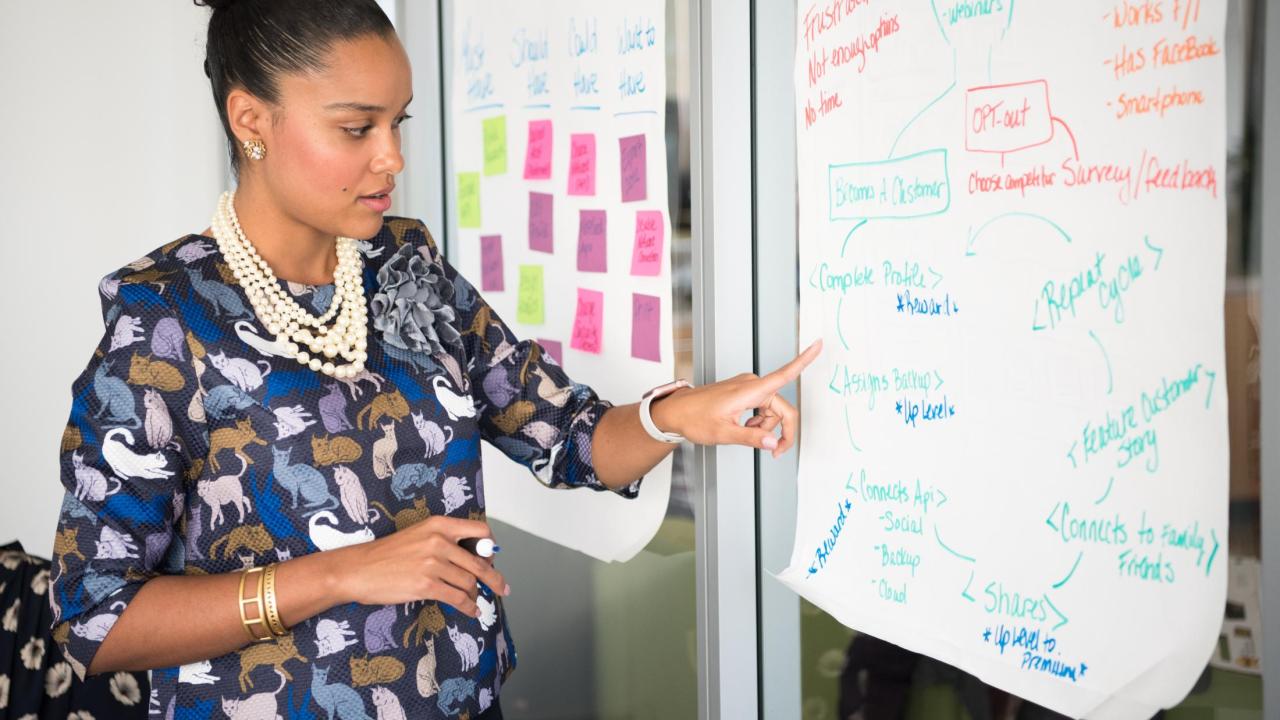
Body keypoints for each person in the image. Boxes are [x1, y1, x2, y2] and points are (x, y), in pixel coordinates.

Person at [47, 0, 821, 717]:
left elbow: (568, 438)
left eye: (399, 122)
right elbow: (96, 618)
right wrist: (343, 572)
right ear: (251, 120)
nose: (393, 158)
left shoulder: (403, 265)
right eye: (357, 128)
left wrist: (680, 415)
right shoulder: (163, 321)